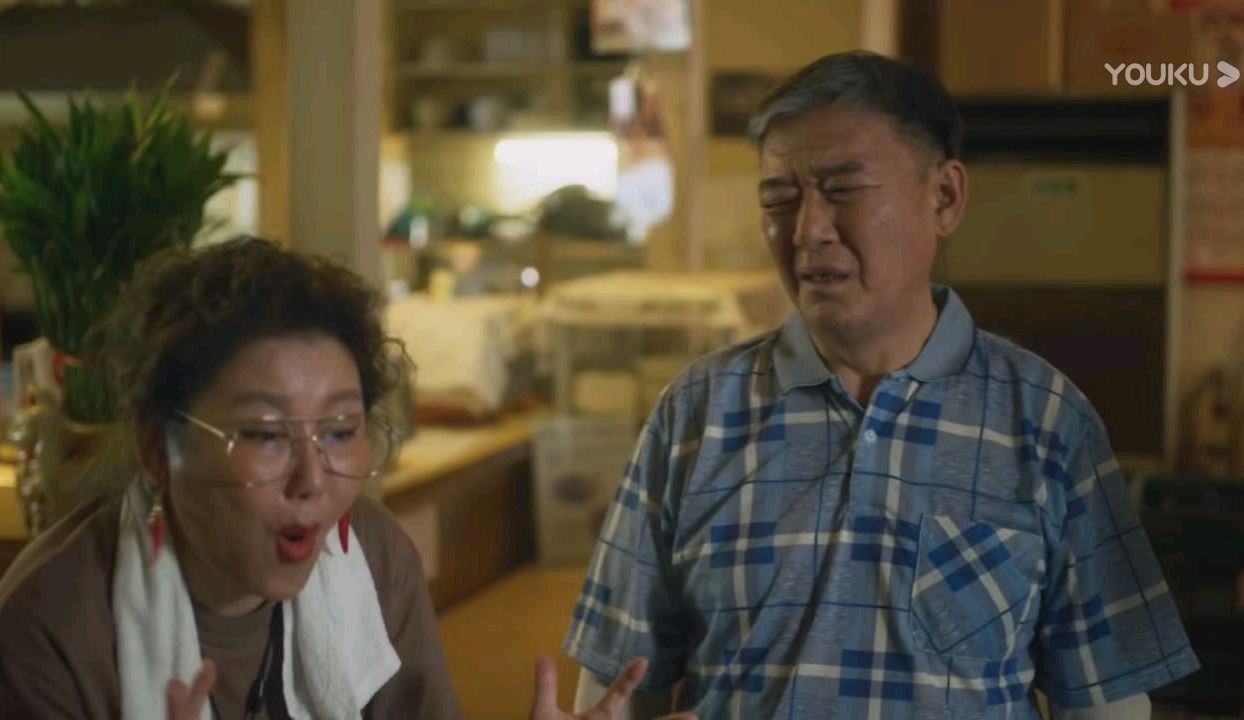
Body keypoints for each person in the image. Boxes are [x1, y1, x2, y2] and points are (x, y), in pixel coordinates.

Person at [563, 51, 1200, 719]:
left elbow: (1106, 701)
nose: (807, 230)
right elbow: (615, 684)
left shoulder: (1045, 420)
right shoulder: (697, 414)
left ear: (944, 197)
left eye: (843, 190)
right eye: (779, 197)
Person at [0, 236, 670, 720]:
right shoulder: (53, 628)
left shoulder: (373, 557)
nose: (313, 478)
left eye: (341, 430)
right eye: (265, 435)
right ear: (156, 447)